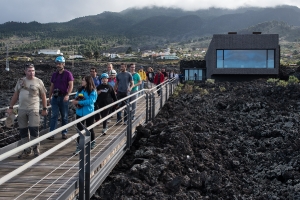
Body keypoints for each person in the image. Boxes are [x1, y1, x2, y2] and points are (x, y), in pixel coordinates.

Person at [7, 64, 48, 158]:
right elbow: (16, 95)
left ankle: (35, 148)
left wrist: (44, 108)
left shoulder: (38, 81)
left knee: (34, 129)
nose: (31, 73)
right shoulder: (20, 81)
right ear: (25, 71)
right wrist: (11, 107)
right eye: (29, 71)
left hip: (34, 108)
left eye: (33, 70)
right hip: (21, 109)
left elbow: (43, 96)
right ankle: (27, 149)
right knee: (23, 130)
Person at [48, 56, 74, 140]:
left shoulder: (68, 74)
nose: (58, 65)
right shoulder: (54, 75)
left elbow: (71, 85)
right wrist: (49, 97)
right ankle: (52, 134)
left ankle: (64, 132)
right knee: (54, 115)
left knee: (64, 116)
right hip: (55, 98)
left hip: (63, 97)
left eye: (60, 64)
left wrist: (67, 95)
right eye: (57, 64)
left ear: (63, 64)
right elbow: (52, 86)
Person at [72, 76, 97, 154]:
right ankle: (79, 146)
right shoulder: (80, 89)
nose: (82, 81)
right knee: (79, 130)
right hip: (79, 112)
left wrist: (79, 102)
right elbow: (77, 96)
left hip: (89, 112)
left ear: (88, 81)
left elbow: (91, 101)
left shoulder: (93, 91)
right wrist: (76, 100)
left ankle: (92, 141)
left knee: (90, 129)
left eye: (83, 80)